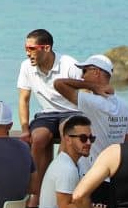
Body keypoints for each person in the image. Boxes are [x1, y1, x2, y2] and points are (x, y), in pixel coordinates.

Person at [17, 29, 81, 199]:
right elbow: (23, 99)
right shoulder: (26, 66)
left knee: (67, 137)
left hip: (72, 111)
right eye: (26, 48)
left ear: (46, 48)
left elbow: (86, 95)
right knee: (37, 139)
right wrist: (24, 129)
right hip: (46, 114)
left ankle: (57, 191)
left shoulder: (70, 65)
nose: (27, 53)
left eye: (31, 49)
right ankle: (35, 193)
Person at [53, 53, 128, 168]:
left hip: (92, 171)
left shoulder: (91, 102)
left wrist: (92, 86)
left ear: (96, 72)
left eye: (84, 71)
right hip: (115, 169)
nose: (82, 76)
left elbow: (58, 84)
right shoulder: (124, 105)